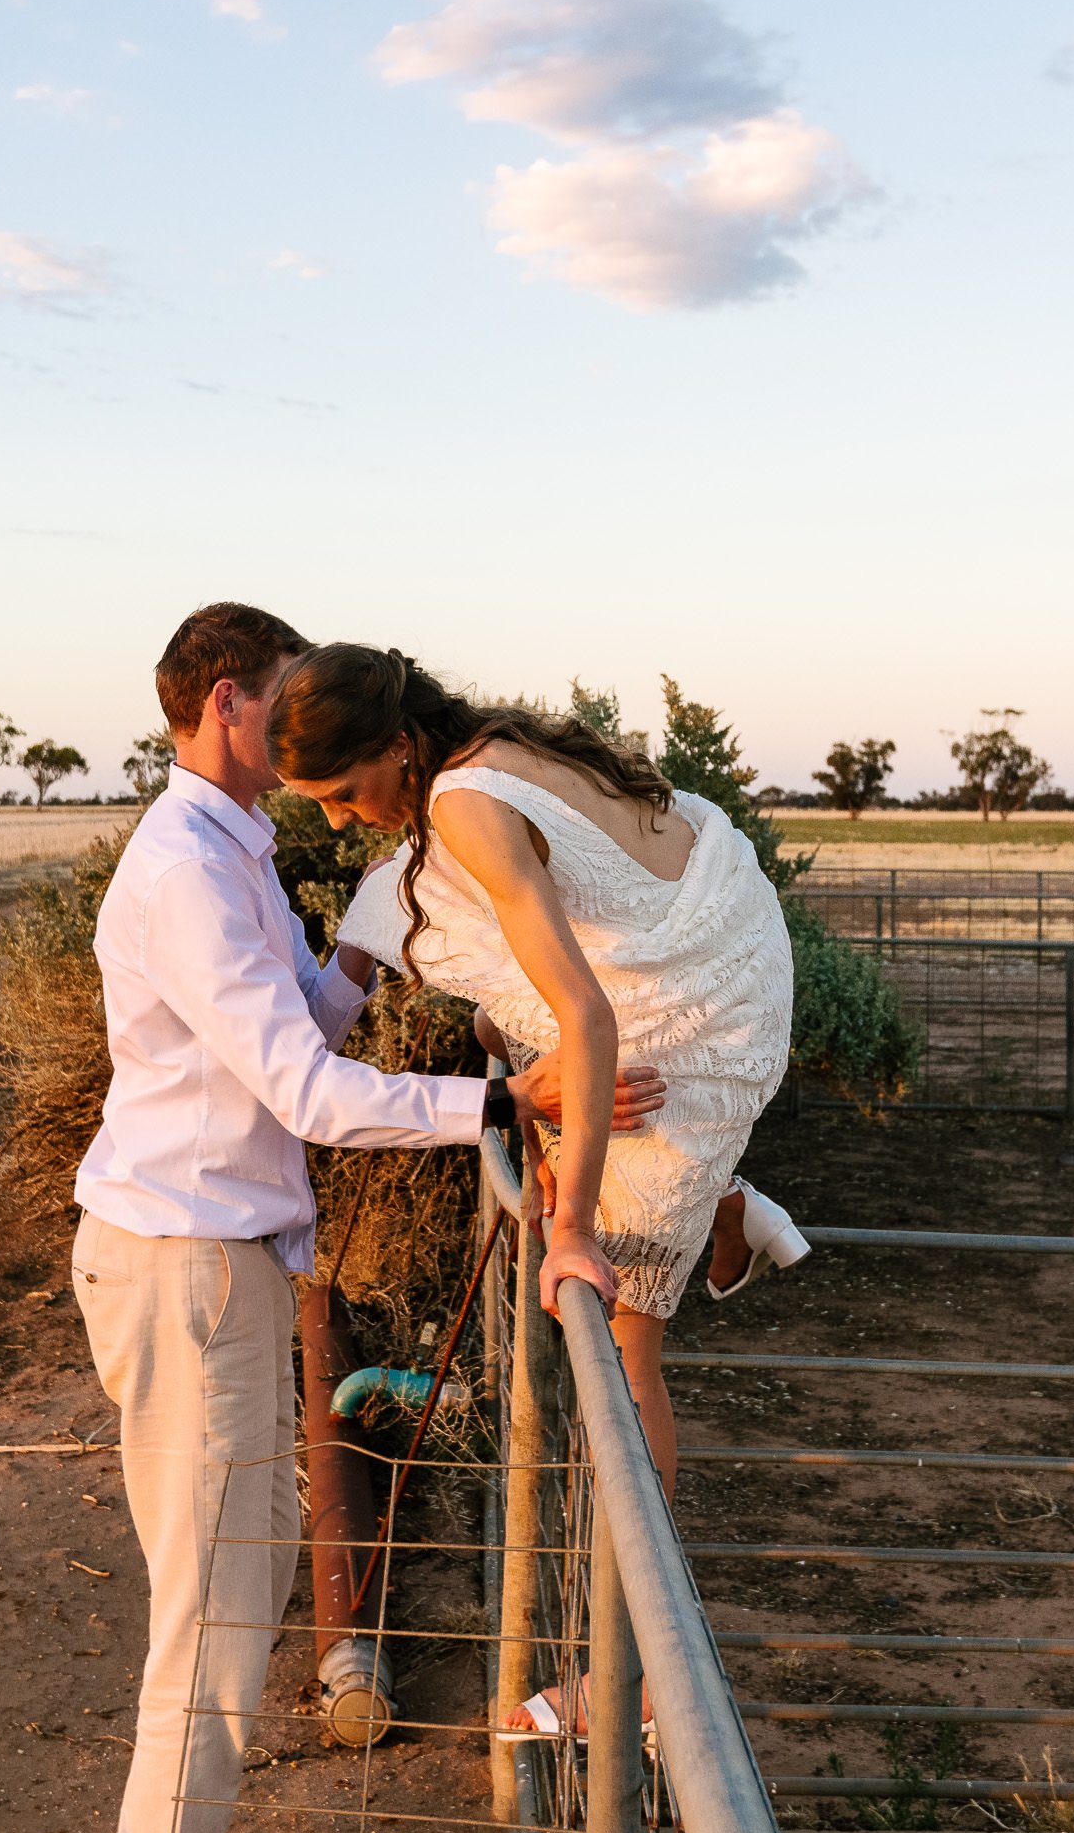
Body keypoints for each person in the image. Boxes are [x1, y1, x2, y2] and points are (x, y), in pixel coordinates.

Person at [73, 604, 666, 1833]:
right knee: (220, 1610)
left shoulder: (228, 856)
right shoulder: (191, 874)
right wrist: (497, 1102)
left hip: (199, 1261)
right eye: (280, 698)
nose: (297, 725)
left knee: (216, 1595)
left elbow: (302, 1028)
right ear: (227, 701)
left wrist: (366, 941)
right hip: (186, 1268)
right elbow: (308, 1094)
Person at [270, 642, 806, 1522]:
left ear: (396, 746)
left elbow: (590, 1020)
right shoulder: (475, 748)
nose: (334, 821)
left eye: (339, 795)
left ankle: (628, 1659)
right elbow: (535, 1005)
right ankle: (725, 1203)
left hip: (700, 1001)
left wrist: (572, 1231)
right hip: (704, 941)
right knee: (495, 1016)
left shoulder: (467, 803)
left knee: (624, 1341)